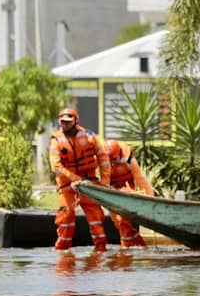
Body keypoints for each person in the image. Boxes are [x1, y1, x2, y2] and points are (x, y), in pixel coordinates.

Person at [48, 107, 111, 252]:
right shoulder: (56, 140)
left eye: (68, 122)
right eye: (63, 122)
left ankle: (100, 251)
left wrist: (105, 182)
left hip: (89, 184)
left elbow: (103, 157)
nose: (65, 124)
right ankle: (62, 252)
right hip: (67, 186)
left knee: (96, 218)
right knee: (66, 216)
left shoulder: (89, 136)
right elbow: (56, 166)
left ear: (76, 121)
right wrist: (75, 179)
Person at [104, 140, 154, 248]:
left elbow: (140, 178)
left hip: (128, 189)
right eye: (110, 160)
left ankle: (125, 247)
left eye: (114, 160)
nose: (112, 163)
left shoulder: (129, 160)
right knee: (118, 221)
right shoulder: (103, 162)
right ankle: (138, 243)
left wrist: (150, 197)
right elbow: (103, 182)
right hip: (112, 191)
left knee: (123, 219)